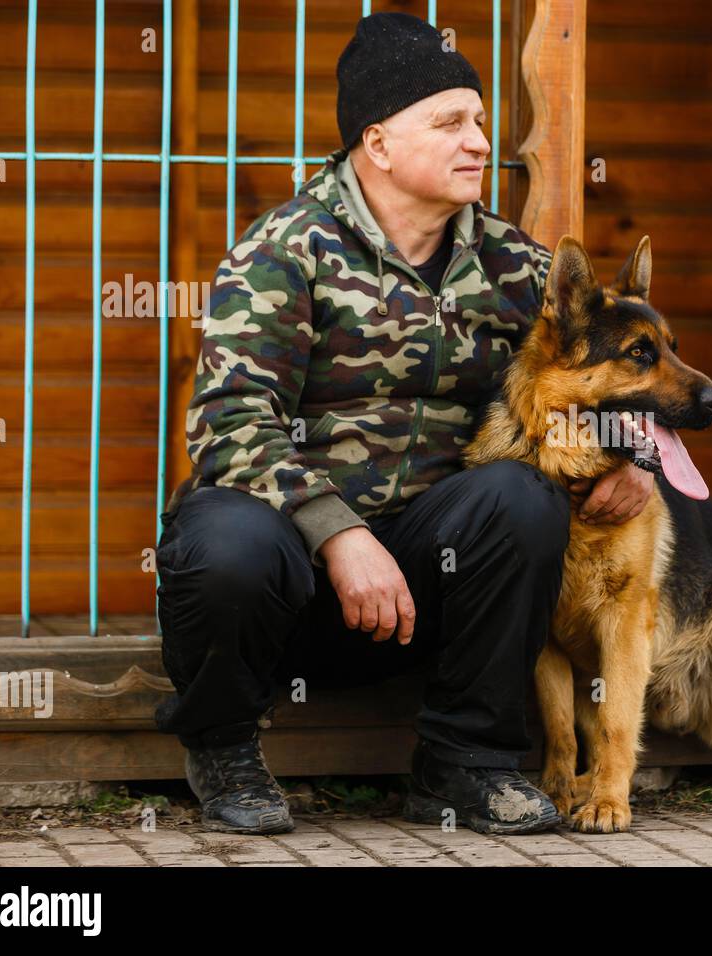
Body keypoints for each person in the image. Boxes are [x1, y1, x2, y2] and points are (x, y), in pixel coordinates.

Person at [152, 11, 653, 836]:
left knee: (520, 499)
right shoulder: (286, 250)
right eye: (449, 121)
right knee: (223, 538)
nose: (477, 141)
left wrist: (634, 456)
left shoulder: (515, 266)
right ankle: (225, 748)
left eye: (482, 122)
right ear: (377, 144)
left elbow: (601, 372)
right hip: (296, 583)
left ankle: (466, 764)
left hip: (429, 581)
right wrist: (339, 536)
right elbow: (228, 423)